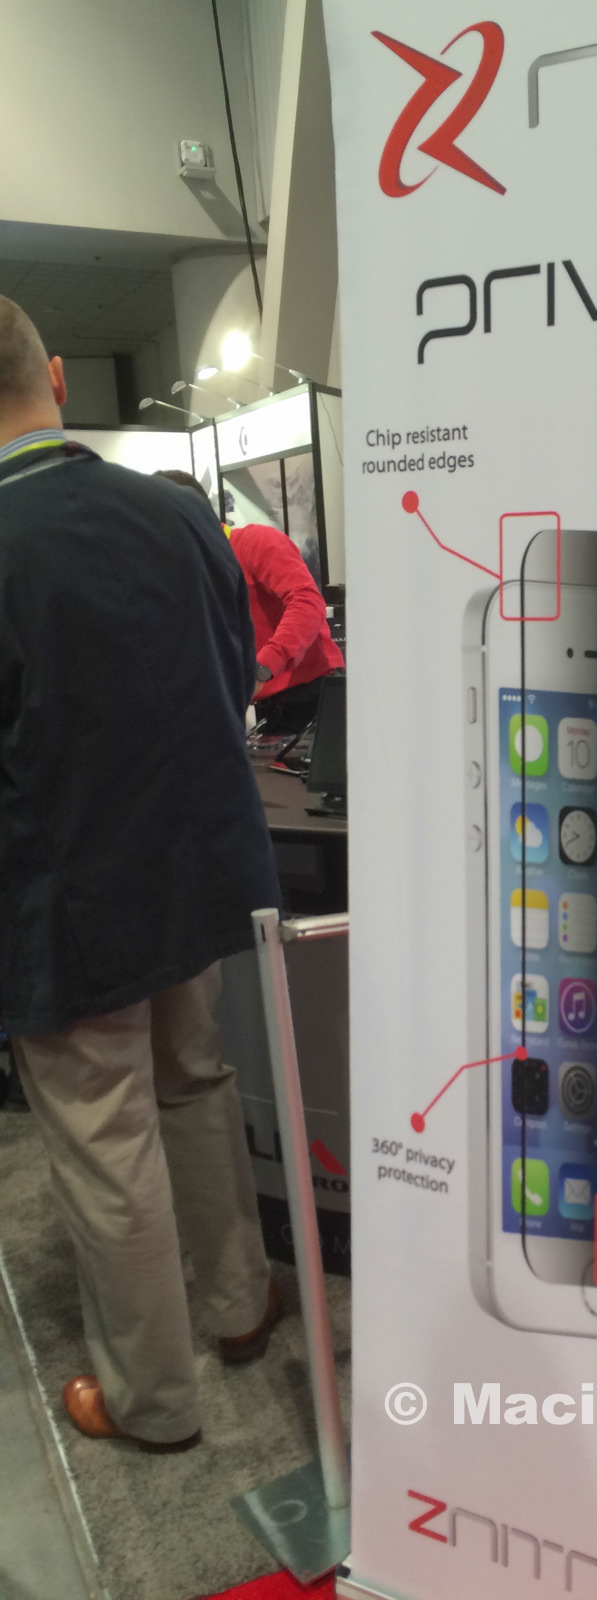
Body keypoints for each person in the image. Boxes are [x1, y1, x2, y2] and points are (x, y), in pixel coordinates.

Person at [0, 297, 283, 1451]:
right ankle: (239, 1304)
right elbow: (235, 675)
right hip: (194, 869)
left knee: (105, 1136)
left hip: (63, 902)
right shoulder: (177, 514)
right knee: (197, 1080)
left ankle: (151, 1400)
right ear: (60, 377)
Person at [157, 471, 343, 734]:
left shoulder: (256, 542)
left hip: (315, 695)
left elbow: (307, 602)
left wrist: (262, 668)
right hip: (269, 707)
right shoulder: (195, 573)